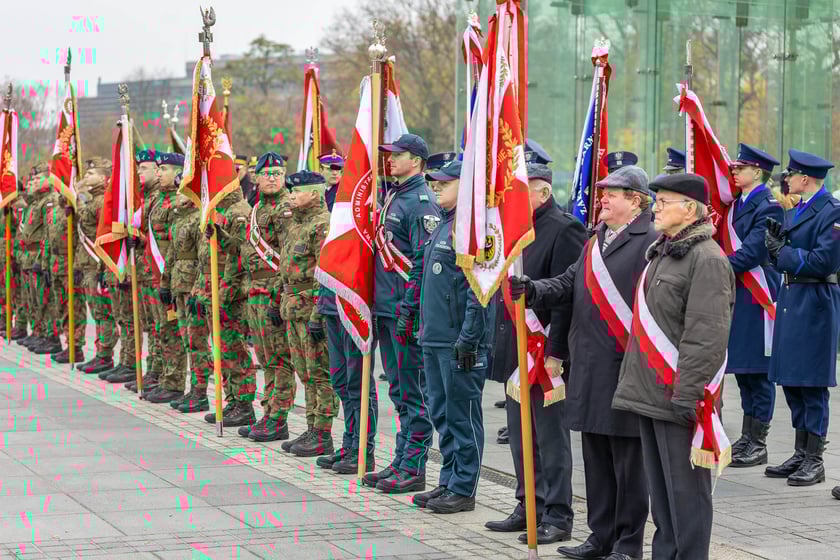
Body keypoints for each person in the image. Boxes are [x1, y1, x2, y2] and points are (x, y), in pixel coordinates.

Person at [512, 165, 656, 560]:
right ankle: (600, 537)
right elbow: (568, 282)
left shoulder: (650, 242)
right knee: (596, 460)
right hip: (590, 367)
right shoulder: (597, 240)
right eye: (603, 191)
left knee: (629, 466)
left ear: (636, 201)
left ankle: (628, 545)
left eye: (612, 193)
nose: (603, 198)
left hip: (626, 367)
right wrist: (534, 288)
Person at [612, 173, 735, 560]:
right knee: (662, 498)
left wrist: (688, 395)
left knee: (686, 497)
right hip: (650, 392)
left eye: (664, 201)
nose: (656, 208)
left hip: (678, 396)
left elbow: (706, 336)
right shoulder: (665, 251)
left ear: (690, 209)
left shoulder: (707, 259)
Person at [485, 161, 587, 544]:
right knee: (518, 433)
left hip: (546, 352)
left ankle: (558, 515)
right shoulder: (514, 229)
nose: (508, 199)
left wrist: (556, 353)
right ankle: (528, 504)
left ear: (542, 193)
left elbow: (565, 297)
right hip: (516, 348)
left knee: (550, 437)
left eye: (518, 191)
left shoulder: (564, 229)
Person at [412, 159, 495, 514]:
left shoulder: (472, 229)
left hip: (458, 342)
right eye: (435, 183)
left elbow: (480, 292)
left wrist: (469, 339)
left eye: (444, 183)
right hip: (435, 337)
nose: (435, 188)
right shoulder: (444, 225)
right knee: (443, 414)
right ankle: (447, 480)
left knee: (462, 416)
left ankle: (464, 488)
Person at [363, 133, 438, 494]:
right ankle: (400, 460)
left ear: (418, 161)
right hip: (388, 308)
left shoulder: (420, 202)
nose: (390, 160)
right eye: (389, 155)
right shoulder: (396, 195)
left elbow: (421, 263)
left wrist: (410, 309)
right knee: (398, 389)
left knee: (413, 391)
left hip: (405, 310)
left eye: (398, 155)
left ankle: (415, 466)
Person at [764, 149, 839, 488]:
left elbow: (823, 260)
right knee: (792, 380)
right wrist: (775, 247)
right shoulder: (801, 208)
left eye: (791, 174)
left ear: (805, 178)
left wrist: (783, 252)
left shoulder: (831, 212)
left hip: (816, 300)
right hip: (794, 298)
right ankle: (800, 450)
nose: (787, 180)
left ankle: (814, 458)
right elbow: (787, 254)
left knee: (812, 384)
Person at [270, 170, 339, 457]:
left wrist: (318, 316)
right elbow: (285, 266)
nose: (290, 196)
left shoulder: (321, 225)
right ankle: (311, 426)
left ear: (314, 193)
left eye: (296, 192)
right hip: (292, 308)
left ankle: (323, 431)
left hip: (311, 309)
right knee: (305, 373)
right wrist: (277, 301)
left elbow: (325, 274)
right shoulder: (296, 224)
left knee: (319, 372)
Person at [723, 144, 784, 468]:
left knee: (758, 371)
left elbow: (752, 254)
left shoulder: (768, 206)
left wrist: (712, 266)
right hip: (740, 293)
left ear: (756, 171)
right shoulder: (736, 204)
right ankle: (747, 436)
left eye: (740, 167)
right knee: (744, 370)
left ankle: (758, 441)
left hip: (757, 295)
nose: (734, 172)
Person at [192, 165, 256, 427]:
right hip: (213, 290)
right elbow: (205, 256)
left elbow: (239, 258)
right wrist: (201, 290)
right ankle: (232, 399)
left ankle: (244, 403)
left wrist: (225, 293)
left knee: (235, 348)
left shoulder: (238, 211)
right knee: (222, 349)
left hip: (230, 294)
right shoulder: (214, 210)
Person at [238, 152, 295, 441]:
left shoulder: (287, 209)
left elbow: (288, 256)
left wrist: (278, 295)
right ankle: (268, 411)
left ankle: (279, 417)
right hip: (255, 293)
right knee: (265, 357)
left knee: (280, 358)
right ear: (256, 177)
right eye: (267, 173)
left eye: (277, 173)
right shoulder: (256, 208)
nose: (272, 178)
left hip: (274, 292)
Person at [144, 152, 188, 403]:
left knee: (172, 331)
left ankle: (173, 382)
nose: (158, 174)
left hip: (171, 276)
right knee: (161, 329)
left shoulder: (177, 203)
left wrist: (167, 279)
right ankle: (162, 376)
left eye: (164, 169)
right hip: (156, 274)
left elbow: (174, 245)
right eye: (158, 169)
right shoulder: (160, 201)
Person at [161, 193, 209, 413]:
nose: (178, 196)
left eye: (183, 191)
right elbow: (171, 255)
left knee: (198, 342)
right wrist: (165, 283)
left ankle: (200, 391)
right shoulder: (179, 218)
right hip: (179, 287)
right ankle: (193, 389)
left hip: (193, 289)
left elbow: (204, 259)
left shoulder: (199, 218)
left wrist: (199, 290)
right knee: (187, 340)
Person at [76, 158, 118, 374]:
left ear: (103, 177)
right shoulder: (93, 200)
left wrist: (103, 268)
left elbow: (103, 236)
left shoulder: (102, 202)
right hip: (88, 265)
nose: (86, 177)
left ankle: (105, 355)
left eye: (91, 174)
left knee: (103, 312)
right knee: (97, 312)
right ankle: (100, 353)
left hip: (97, 265)